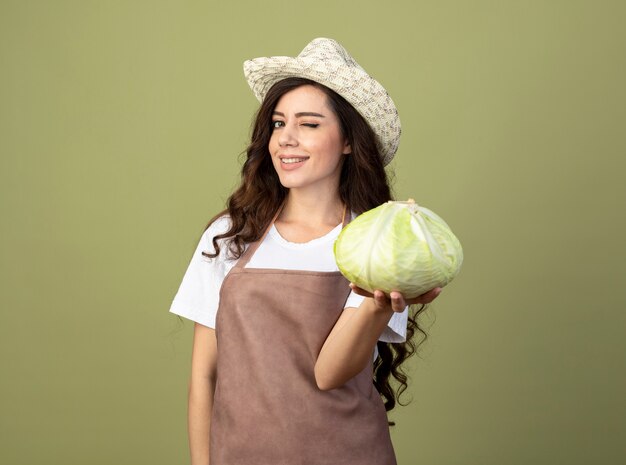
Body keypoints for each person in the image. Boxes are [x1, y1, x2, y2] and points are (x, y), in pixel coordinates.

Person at [169, 37, 441, 465]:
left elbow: (329, 373)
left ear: (349, 141)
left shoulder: (380, 245)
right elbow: (204, 376)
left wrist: (376, 305)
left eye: (309, 124)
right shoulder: (231, 234)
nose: (286, 139)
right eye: (278, 123)